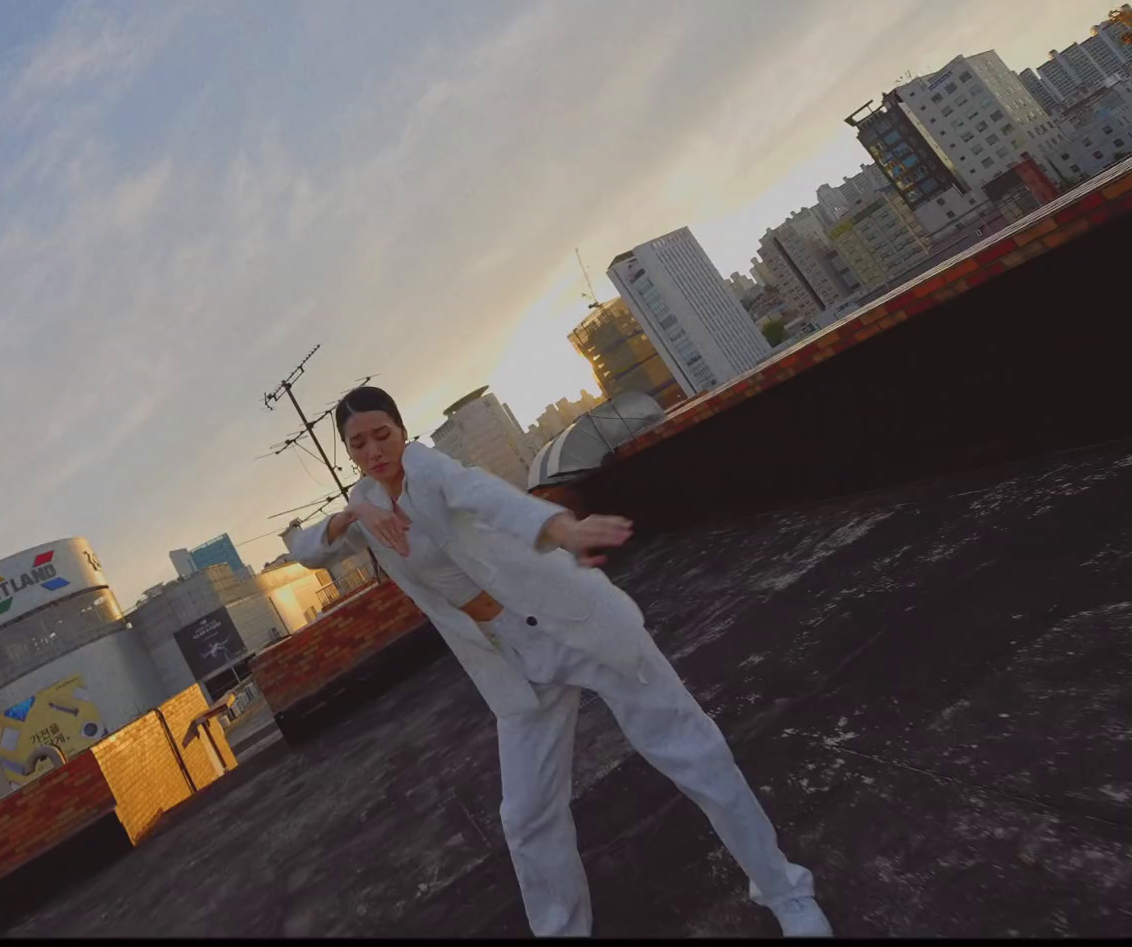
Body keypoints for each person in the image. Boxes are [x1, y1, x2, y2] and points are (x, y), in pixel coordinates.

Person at [282, 386, 831, 938]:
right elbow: (306, 549)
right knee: (526, 816)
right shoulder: (367, 504)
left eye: (384, 434)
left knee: (694, 753)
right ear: (349, 453)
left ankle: (784, 890)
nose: (375, 450)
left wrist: (563, 529)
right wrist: (354, 510)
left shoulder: (433, 470)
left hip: (572, 625)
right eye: (359, 444)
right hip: (513, 662)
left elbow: (490, 498)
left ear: (403, 431)